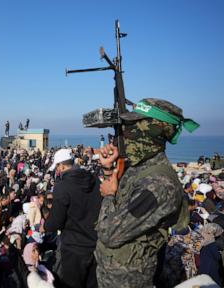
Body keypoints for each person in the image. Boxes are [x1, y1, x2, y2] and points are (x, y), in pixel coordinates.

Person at [95, 98, 199, 288]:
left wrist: (108, 195)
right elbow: (122, 202)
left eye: (133, 126)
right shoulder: (139, 168)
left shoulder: (158, 186)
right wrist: (109, 169)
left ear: (153, 132)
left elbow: (109, 233)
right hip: (111, 274)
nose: (126, 133)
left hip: (129, 281)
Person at [44, 148, 102, 288]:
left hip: (74, 247)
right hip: (96, 244)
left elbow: (55, 222)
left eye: (57, 167)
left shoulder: (62, 187)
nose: (57, 171)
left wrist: (45, 226)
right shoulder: (94, 179)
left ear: (62, 166)